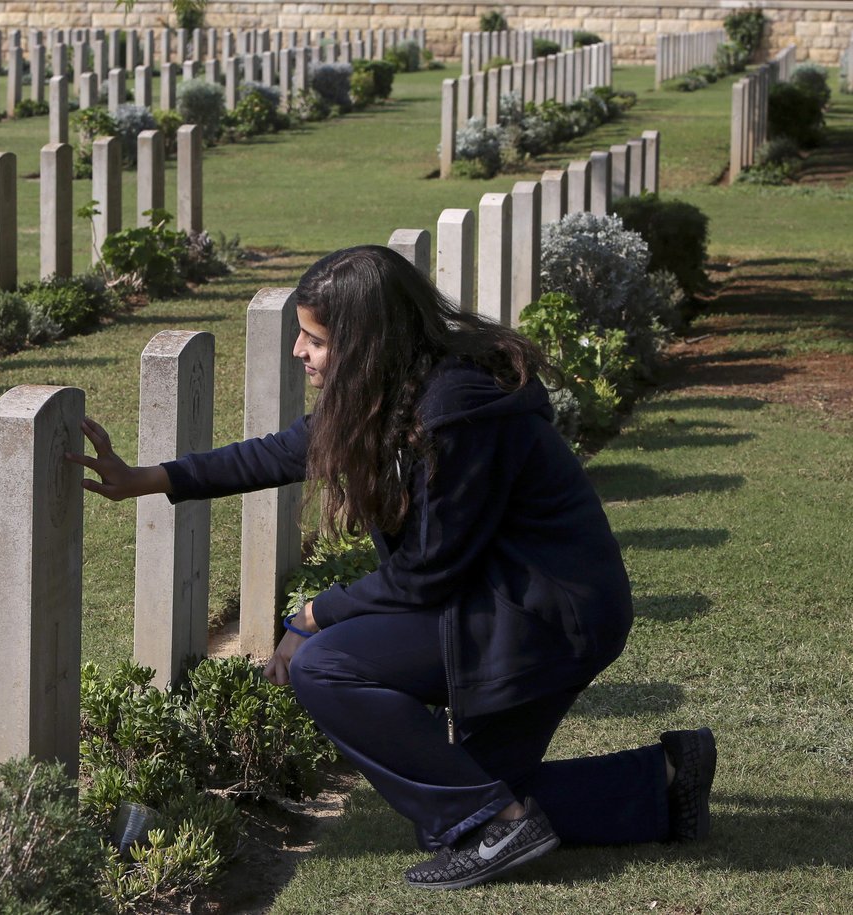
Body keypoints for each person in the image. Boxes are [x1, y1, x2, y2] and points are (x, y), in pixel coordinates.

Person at [66, 245, 716, 890]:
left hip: (543, 617)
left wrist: (311, 616)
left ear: (366, 343)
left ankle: (497, 822)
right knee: (466, 804)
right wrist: (148, 478)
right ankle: (663, 780)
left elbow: (427, 570)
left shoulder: (456, 412)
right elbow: (281, 452)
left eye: (316, 339)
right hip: (490, 605)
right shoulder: (390, 391)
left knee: (329, 668)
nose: (298, 350)